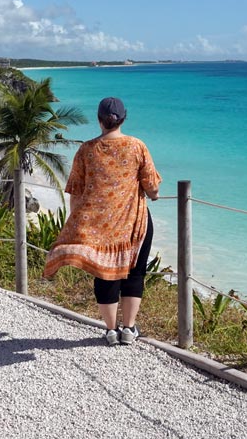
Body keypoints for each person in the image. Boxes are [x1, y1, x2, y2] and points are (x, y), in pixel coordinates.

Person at [43, 96, 161, 346]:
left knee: (105, 274)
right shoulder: (137, 146)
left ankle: (110, 330)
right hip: (134, 223)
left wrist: (78, 222)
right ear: (124, 118)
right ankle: (129, 330)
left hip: (98, 226)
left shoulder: (87, 149)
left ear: (99, 120)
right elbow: (151, 187)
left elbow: (76, 191)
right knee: (135, 274)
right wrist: (154, 194)